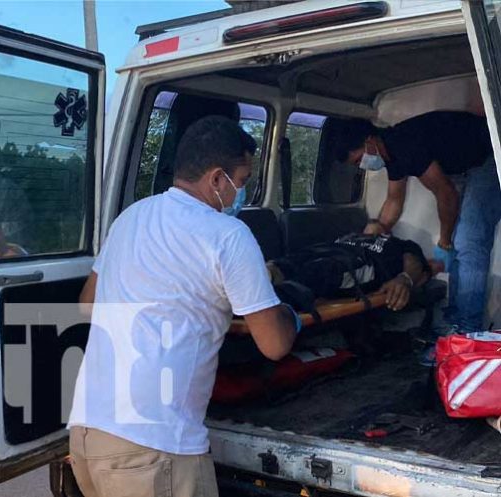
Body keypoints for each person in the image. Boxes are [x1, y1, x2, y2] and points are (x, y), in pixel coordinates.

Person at [67, 116, 299, 497]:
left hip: (89, 435)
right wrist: (290, 316)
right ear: (216, 179)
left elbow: (87, 305)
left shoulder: (131, 217)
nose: (241, 192)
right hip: (154, 448)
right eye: (240, 182)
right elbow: (274, 344)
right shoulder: (227, 235)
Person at [338, 111, 500, 341]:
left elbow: (447, 194)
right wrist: (377, 231)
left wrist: (444, 242)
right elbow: (394, 199)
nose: (361, 166)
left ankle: (467, 333)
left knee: (469, 241)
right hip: (470, 164)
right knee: (460, 244)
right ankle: (455, 320)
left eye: (358, 160)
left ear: (370, 141)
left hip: (492, 153)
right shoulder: (391, 154)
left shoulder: (405, 145)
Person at [267, 224, 432, 312]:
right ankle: (266, 273)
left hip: (362, 263)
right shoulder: (349, 236)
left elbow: (415, 261)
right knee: (297, 258)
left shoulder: (395, 244)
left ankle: (274, 298)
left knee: (326, 270)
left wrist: (404, 279)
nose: (372, 228)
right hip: (331, 250)